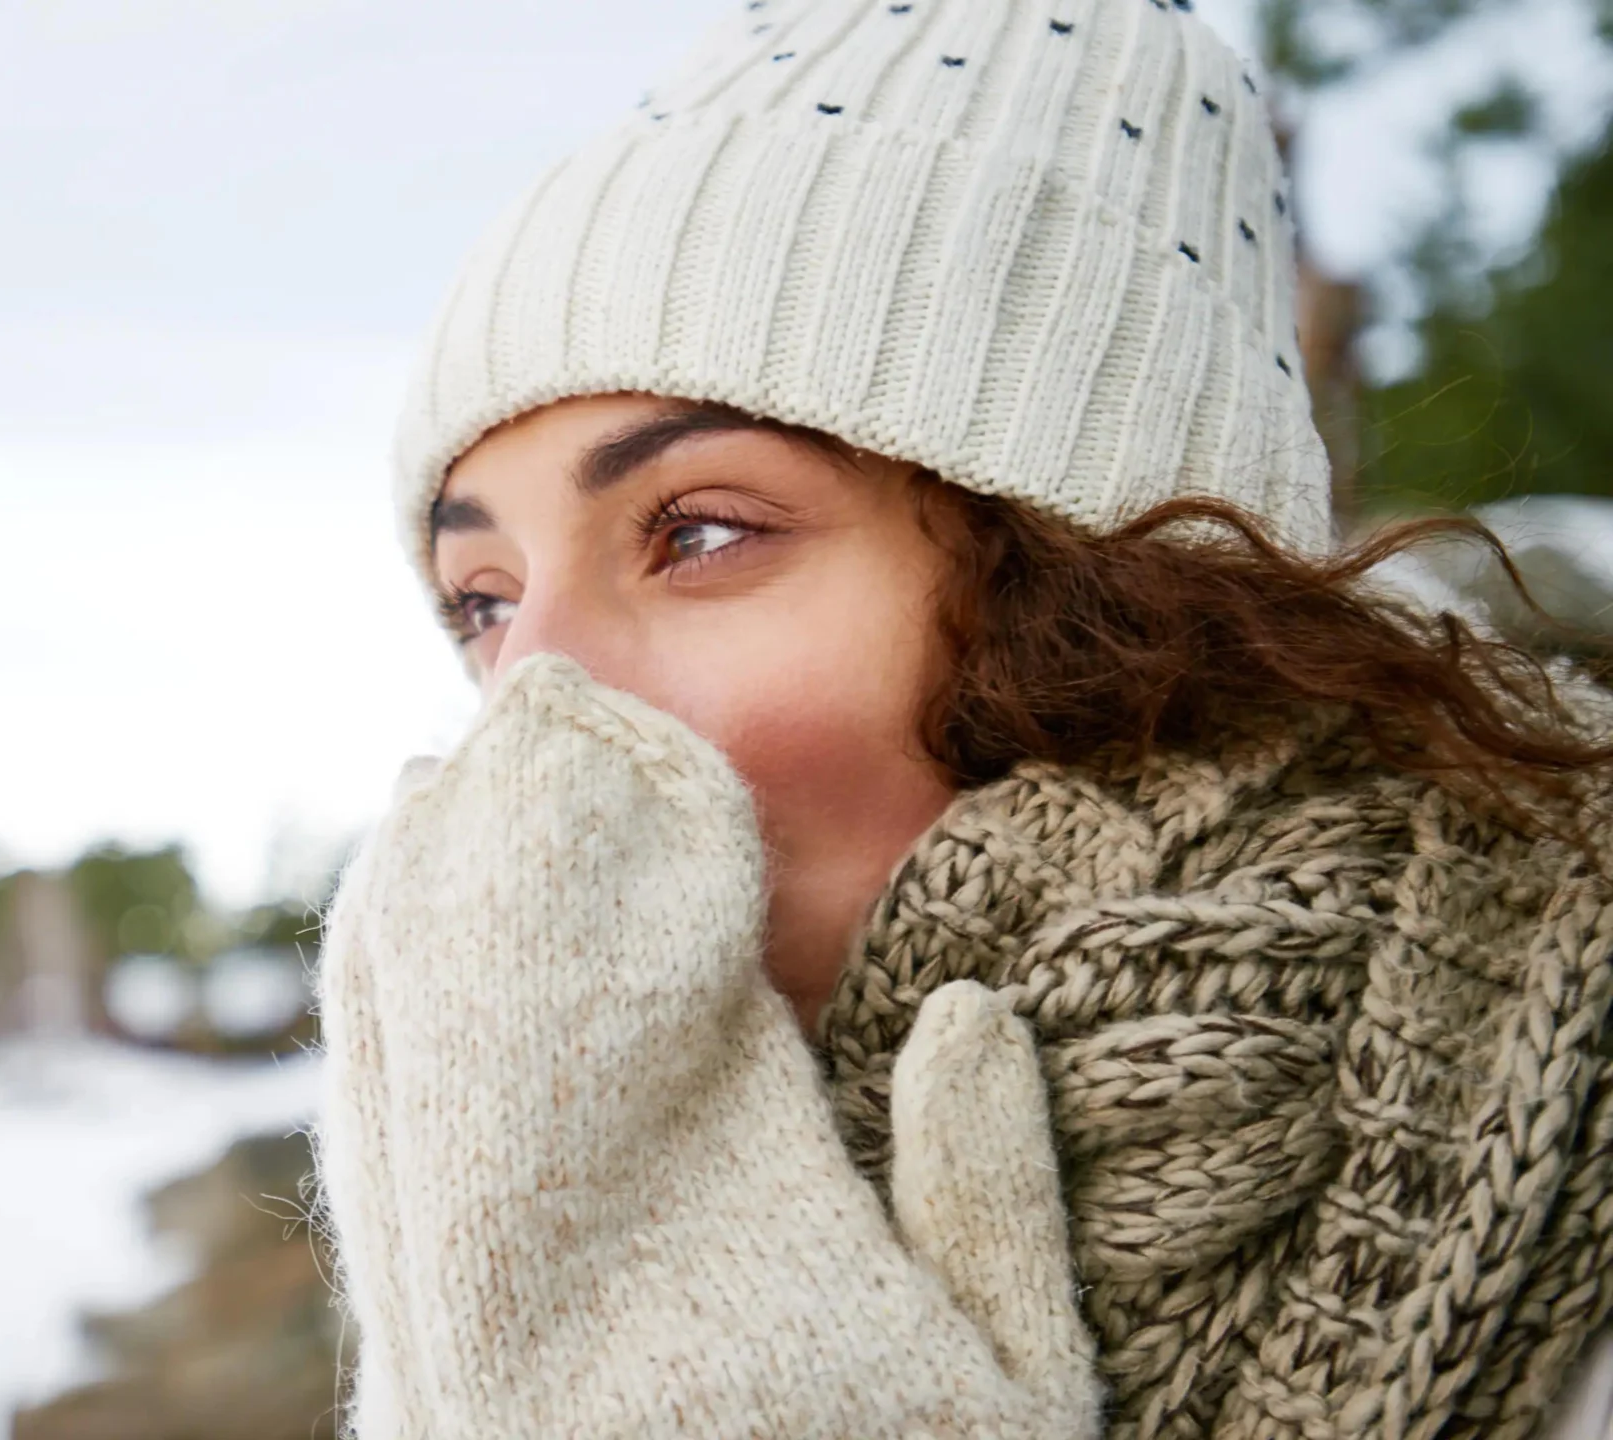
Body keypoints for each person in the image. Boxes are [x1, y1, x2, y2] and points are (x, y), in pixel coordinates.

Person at [303, 0, 1613, 1436]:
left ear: (1084, 584)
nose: (532, 718)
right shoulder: (525, 1270)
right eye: (484, 603)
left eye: (701, 535)